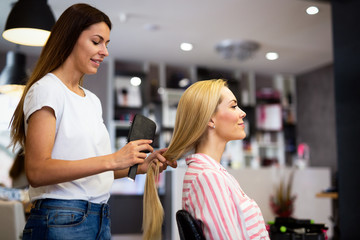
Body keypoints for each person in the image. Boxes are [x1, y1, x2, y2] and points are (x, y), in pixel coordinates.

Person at [9, 3, 172, 239]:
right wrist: (113, 159)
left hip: (99, 218)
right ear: (70, 38)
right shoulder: (46, 90)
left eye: (106, 44)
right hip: (61, 219)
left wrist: (139, 166)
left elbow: (90, 171)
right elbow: (37, 171)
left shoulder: (92, 100)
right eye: (96, 42)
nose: (104, 51)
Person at [144, 79, 269, 239]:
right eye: (233, 106)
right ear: (210, 119)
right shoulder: (208, 177)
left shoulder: (213, 174)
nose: (242, 112)